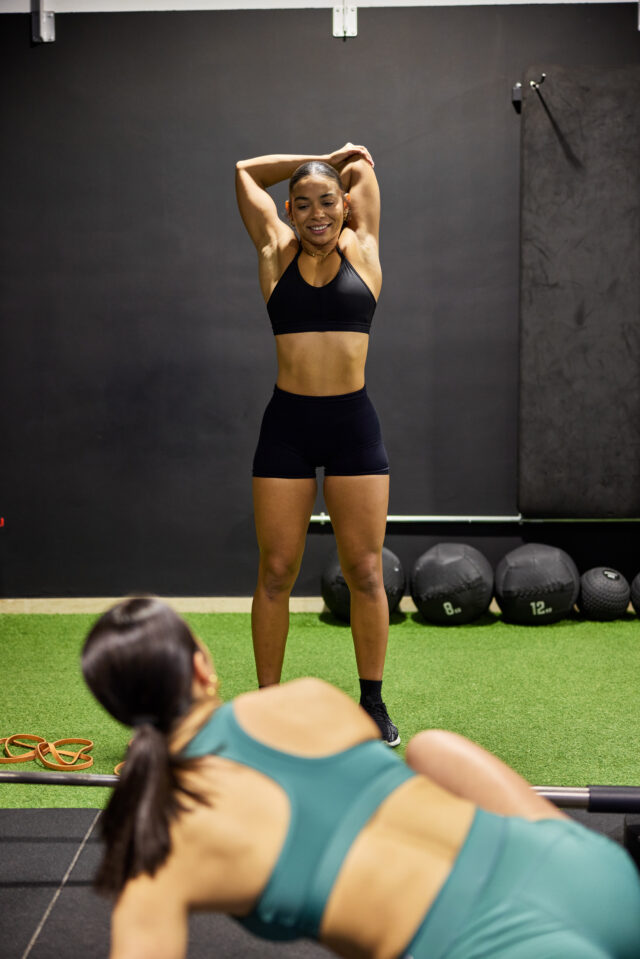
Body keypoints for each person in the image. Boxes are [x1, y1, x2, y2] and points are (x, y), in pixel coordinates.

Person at [83, 597, 640, 959]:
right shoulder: (308, 698)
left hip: (487, 947)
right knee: (430, 749)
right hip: (587, 871)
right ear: (202, 667)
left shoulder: (157, 851)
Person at [235, 143, 399, 744]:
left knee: (365, 572)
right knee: (276, 572)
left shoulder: (365, 248)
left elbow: (362, 172)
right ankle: (267, 711)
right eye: (301, 204)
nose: (315, 213)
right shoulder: (274, 252)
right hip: (288, 430)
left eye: (327, 201)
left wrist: (342, 168)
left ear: (346, 204)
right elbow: (243, 172)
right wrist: (322, 156)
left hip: (354, 427)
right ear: (289, 210)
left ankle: (373, 705)